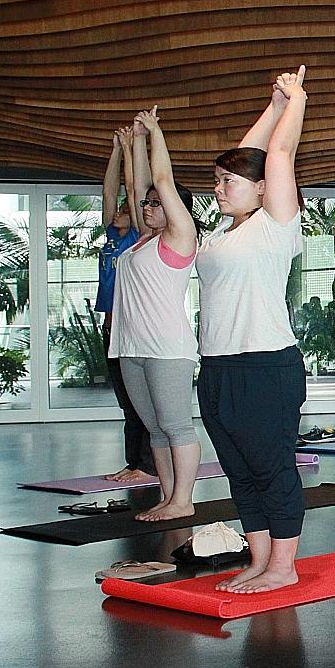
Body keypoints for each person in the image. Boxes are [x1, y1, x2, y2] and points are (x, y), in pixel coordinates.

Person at [196, 66, 310, 594]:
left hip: (265, 366)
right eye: (216, 181)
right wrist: (270, 105)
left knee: (271, 469)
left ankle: (285, 567)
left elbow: (276, 157)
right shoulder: (222, 232)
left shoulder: (276, 225)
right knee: (239, 473)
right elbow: (250, 157)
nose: (218, 188)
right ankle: (261, 561)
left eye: (227, 182)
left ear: (262, 190)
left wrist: (296, 101)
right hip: (217, 367)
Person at [111, 106, 201, 522]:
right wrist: (132, 148)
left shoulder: (180, 239)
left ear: (174, 208)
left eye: (155, 204)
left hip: (167, 348)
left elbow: (160, 181)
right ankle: (168, 497)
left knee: (177, 426)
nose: (146, 206)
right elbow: (137, 186)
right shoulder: (142, 242)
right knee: (156, 430)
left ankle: (184, 499)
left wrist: (155, 133)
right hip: (132, 347)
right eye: (144, 205)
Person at [97, 126, 153, 484]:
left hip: (132, 328)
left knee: (139, 403)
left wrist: (135, 147)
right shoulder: (111, 237)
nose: (118, 209)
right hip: (111, 328)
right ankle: (134, 462)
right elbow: (107, 191)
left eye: (125, 208)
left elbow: (133, 191)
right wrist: (116, 149)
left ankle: (145, 465)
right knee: (125, 404)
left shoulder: (136, 237)